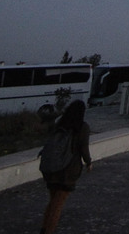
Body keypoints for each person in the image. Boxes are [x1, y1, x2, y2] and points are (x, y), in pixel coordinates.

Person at [39, 99, 92, 234]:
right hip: (68, 170)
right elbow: (83, 147)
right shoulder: (82, 127)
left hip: (52, 169)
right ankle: (48, 231)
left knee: (52, 201)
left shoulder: (59, 124)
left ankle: (44, 228)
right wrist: (89, 162)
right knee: (58, 204)